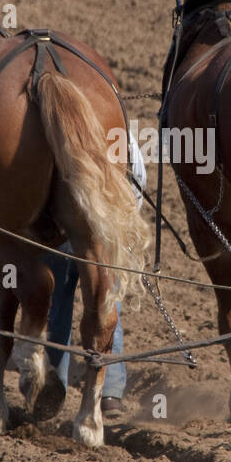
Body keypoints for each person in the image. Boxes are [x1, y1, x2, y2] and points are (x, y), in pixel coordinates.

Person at [45, 131, 147, 418]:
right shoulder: (115, 133)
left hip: (61, 234)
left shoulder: (56, 136)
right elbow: (137, 178)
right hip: (106, 235)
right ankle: (110, 394)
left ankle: (52, 387)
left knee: (58, 305)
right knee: (107, 303)